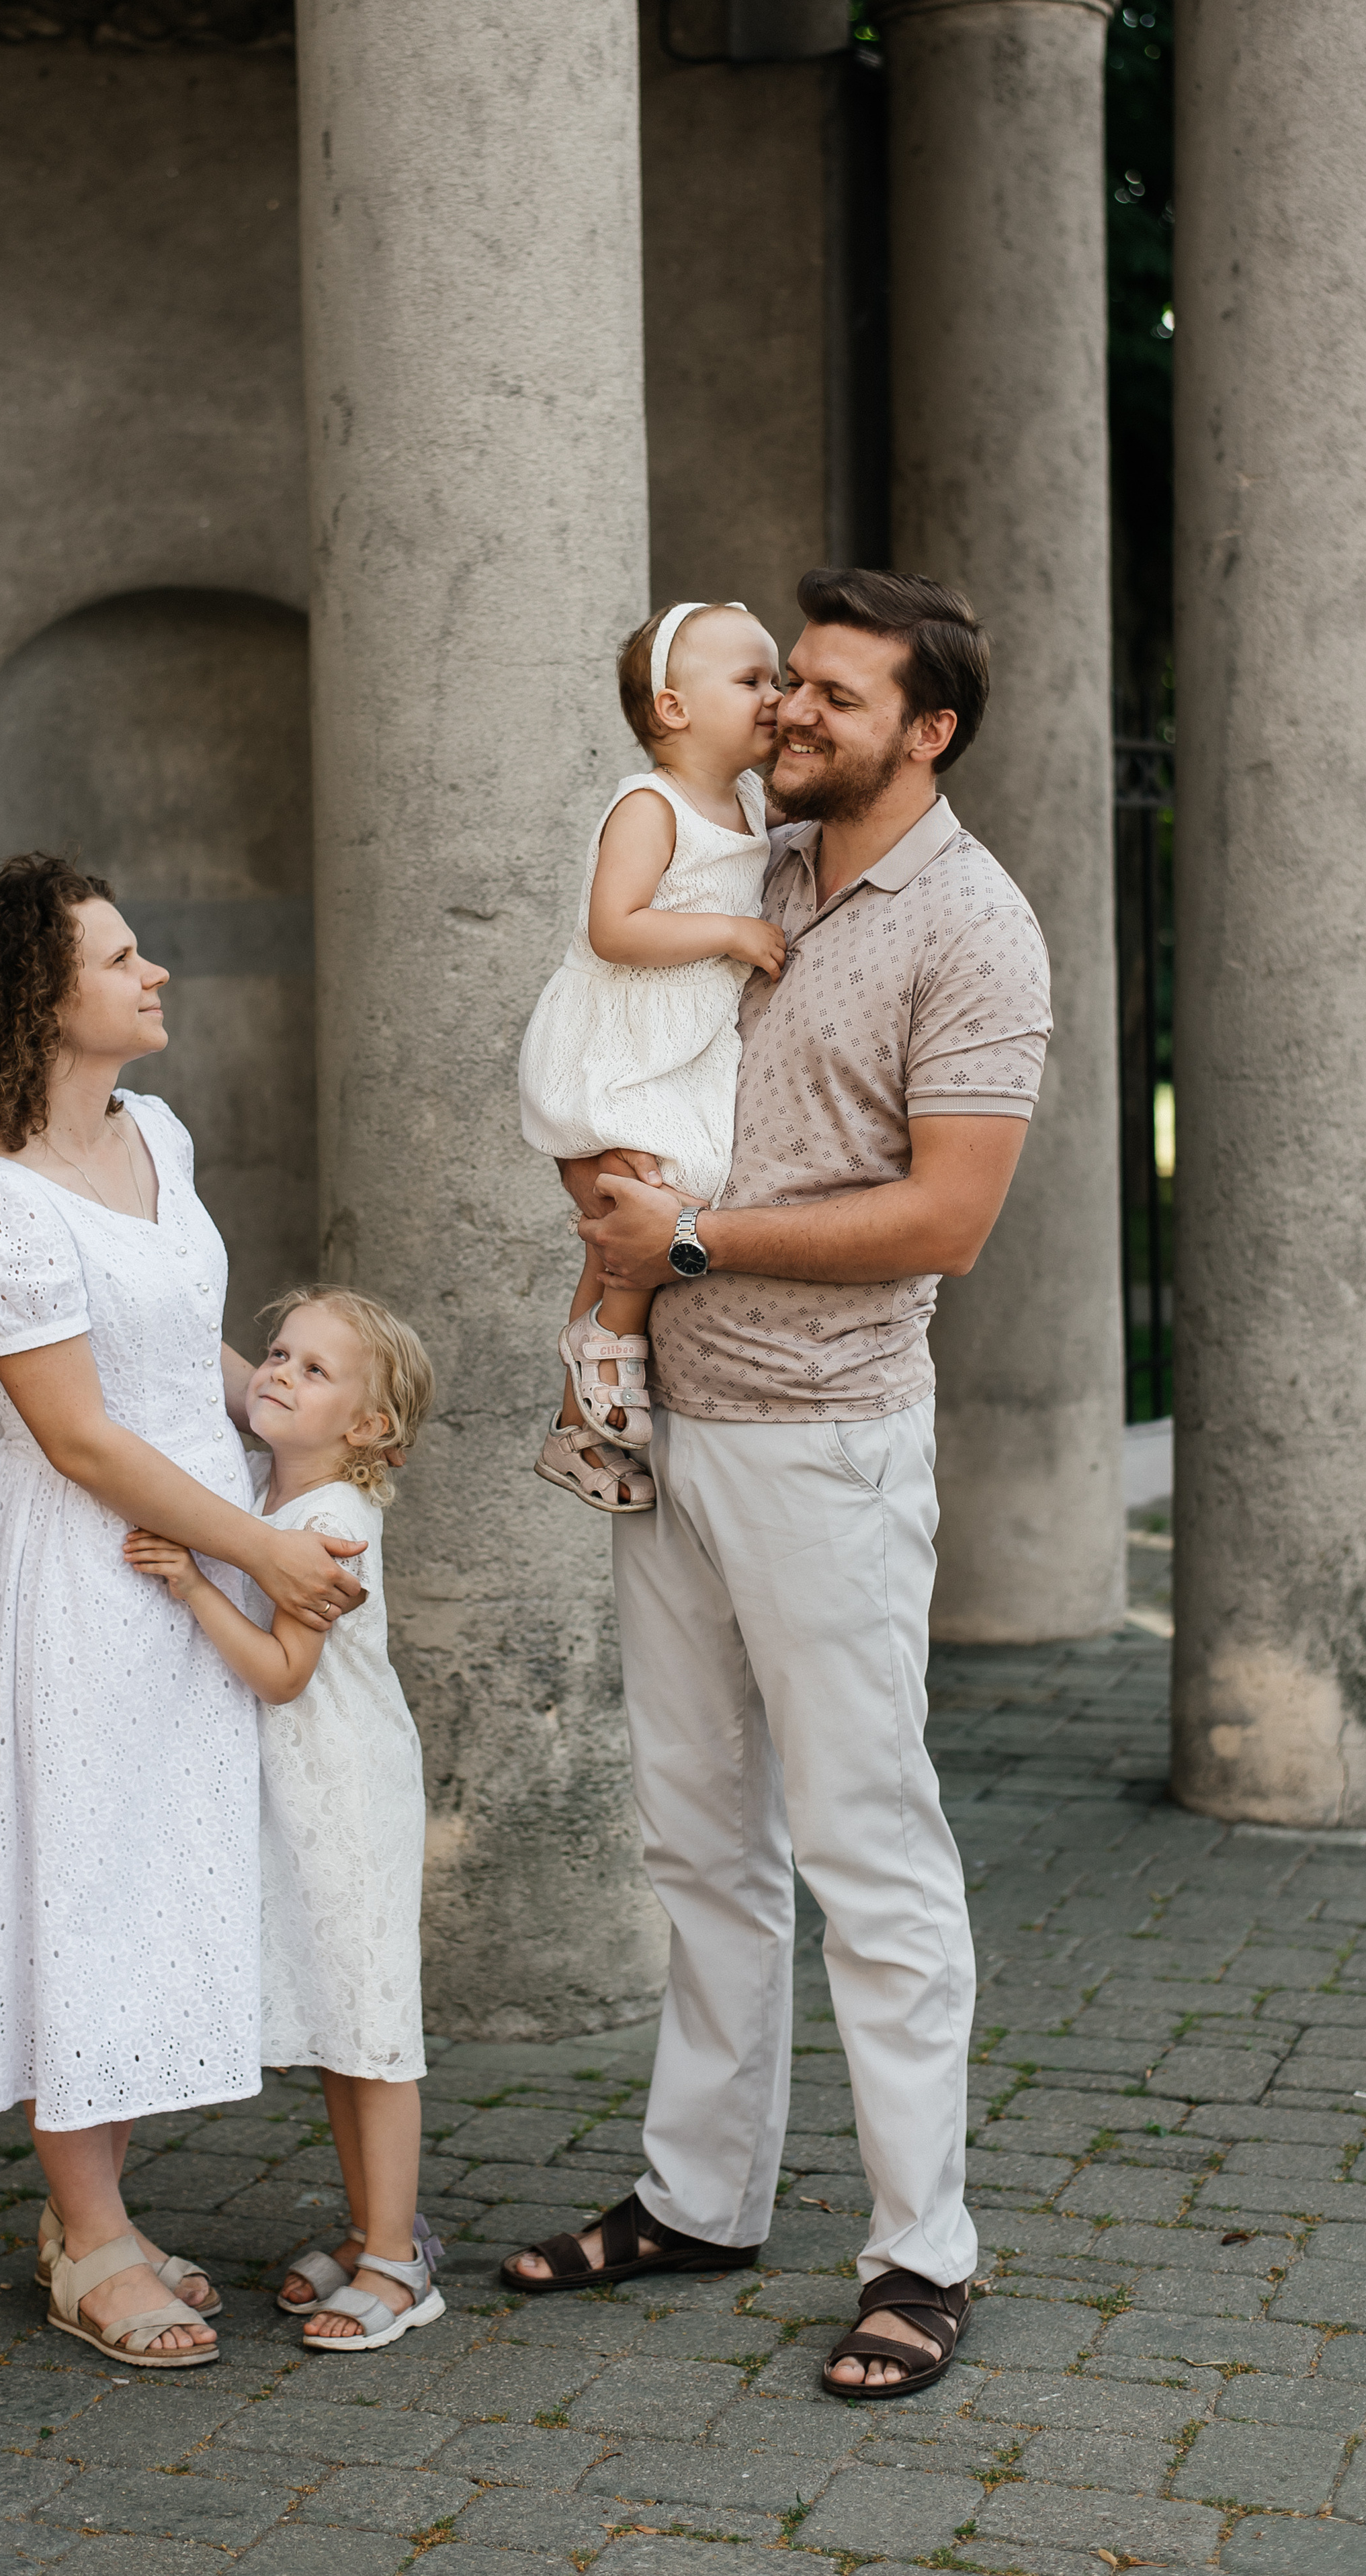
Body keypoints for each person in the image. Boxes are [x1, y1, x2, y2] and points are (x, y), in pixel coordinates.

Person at [502, 570, 1054, 2402]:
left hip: (824, 1436)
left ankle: (922, 2253)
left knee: (864, 1850)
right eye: (788, 681)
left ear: (930, 730)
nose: (793, 711)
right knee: (696, 1835)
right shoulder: (751, 864)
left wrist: (691, 1241)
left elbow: (947, 1217)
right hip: (670, 1419)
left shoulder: (974, 926)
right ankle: (699, 2195)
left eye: (835, 694)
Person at [0, 854, 370, 2370]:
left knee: (167, 1874)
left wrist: (307, 1450)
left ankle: (95, 2212)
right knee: (86, 1884)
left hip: (211, 1549)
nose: (153, 971)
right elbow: (82, 1439)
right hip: (95, 1575)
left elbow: (186, 1358)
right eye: (120, 958)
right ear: (39, 1000)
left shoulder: (155, 1131)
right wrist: (263, 1549)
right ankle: (90, 2239)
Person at [124, 1286, 442, 2354]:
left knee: (374, 2036)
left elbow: (280, 1675)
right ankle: (373, 2231)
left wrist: (192, 1585)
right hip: (307, 1799)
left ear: (369, 1427)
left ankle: (400, 2264)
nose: (277, 1374)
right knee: (342, 2028)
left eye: (314, 1370)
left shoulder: (328, 1524)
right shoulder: (270, 1492)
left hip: (347, 1797)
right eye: (276, 1353)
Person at [517, 601, 784, 1513]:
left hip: (683, 1050)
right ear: (673, 708)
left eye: (777, 678)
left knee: (655, 1210)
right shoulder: (650, 805)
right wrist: (732, 932)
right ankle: (606, 1353)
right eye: (751, 680)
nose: (776, 696)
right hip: (617, 1043)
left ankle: (573, 1432)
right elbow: (615, 927)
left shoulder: (751, 801)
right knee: (643, 1198)